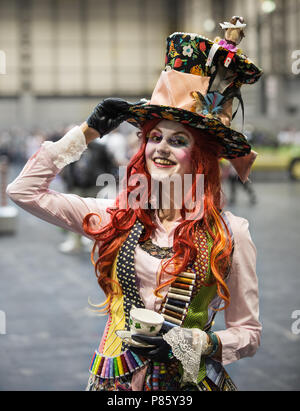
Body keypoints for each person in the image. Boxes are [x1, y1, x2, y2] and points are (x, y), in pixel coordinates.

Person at [6, 22, 263, 391]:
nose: (160, 147)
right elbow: (23, 191)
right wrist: (86, 132)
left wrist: (198, 343)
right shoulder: (116, 217)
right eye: (154, 136)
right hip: (114, 386)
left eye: (178, 140)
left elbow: (249, 333)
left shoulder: (231, 232)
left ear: (201, 157)